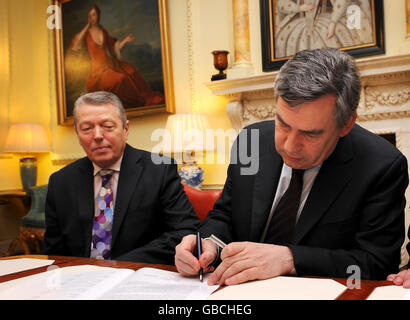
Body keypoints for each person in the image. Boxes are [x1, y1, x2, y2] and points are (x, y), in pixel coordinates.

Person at [175, 48, 409, 286]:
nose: (289, 146)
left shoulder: (382, 165)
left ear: (346, 124)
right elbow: (225, 214)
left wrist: (290, 258)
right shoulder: (250, 141)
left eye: (310, 134)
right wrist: (209, 243)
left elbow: (376, 263)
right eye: (283, 124)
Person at [42, 91, 200, 264]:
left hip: (139, 276)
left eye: (108, 126)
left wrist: (118, 265)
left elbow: (185, 231)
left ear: (125, 129)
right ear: (78, 135)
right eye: (86, 128)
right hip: (79, 280)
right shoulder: (61, 182)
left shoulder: (159, 171)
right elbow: (54, 251)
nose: (97, 136)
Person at [68, 4, 164, 108]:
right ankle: (134, 103)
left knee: (131, 70)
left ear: (98, 16)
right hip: (98, 70)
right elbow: (76, 42)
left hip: (110, 63)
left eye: (94, 15)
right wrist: (87, 26)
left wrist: (126, 41)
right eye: (90, 16)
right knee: (121, 78)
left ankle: (141, 100)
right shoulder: (86, 33)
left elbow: (114, 48)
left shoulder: (103, 31)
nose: (92, 18)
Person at [275, 0, 373, 59]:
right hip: (301, 22)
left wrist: (333, 22)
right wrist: (299, 7)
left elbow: (342, 2)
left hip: (330, 18)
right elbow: (281, 4)